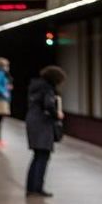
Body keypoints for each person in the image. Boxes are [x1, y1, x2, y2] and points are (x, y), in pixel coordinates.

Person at [25, 65, 67, 197]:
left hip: (32, 121)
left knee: (37, 156)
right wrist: (57, 114)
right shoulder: (47, 88)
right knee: (43, 156)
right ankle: (38, 188)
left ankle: (31, 188)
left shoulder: (35, 86)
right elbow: (48, 105)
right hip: (42, 124)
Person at [0, 57, 13, 149]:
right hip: (0, 99)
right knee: (0, 119)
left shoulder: (0, 73)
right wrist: (4, 91)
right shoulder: (0, 73)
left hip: (2, 98)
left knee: (0, 119)